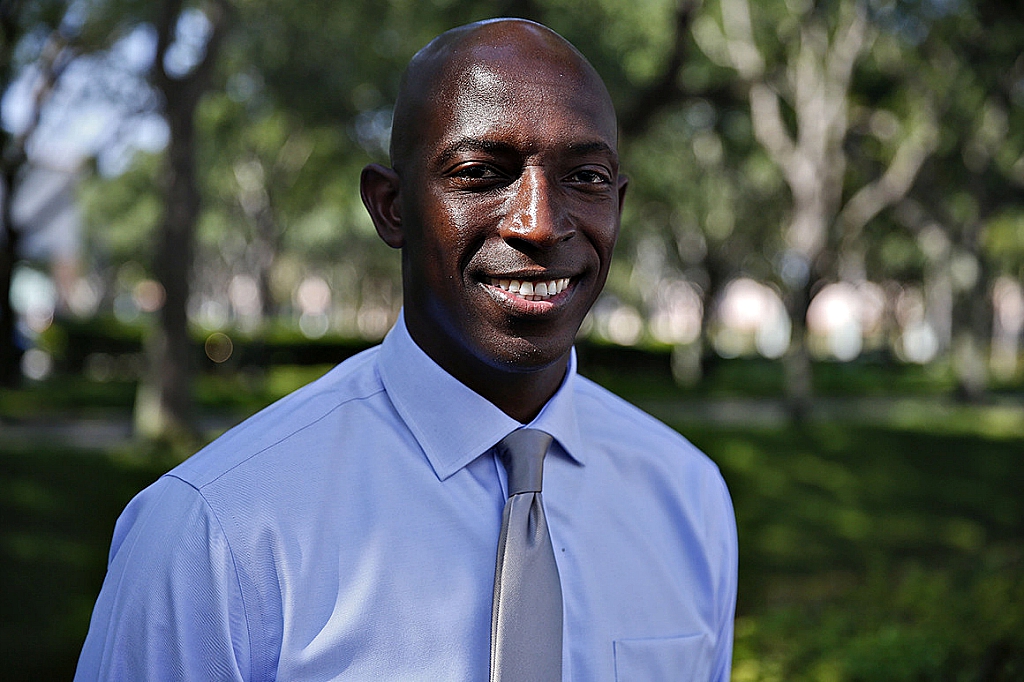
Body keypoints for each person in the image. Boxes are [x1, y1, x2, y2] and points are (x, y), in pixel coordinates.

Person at [75, 18, 737, 681]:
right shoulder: (215, 530)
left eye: (585, 177)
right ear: (390, 208)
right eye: (481, 172)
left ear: (618, 205)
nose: (539, 222)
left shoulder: (688, 499)